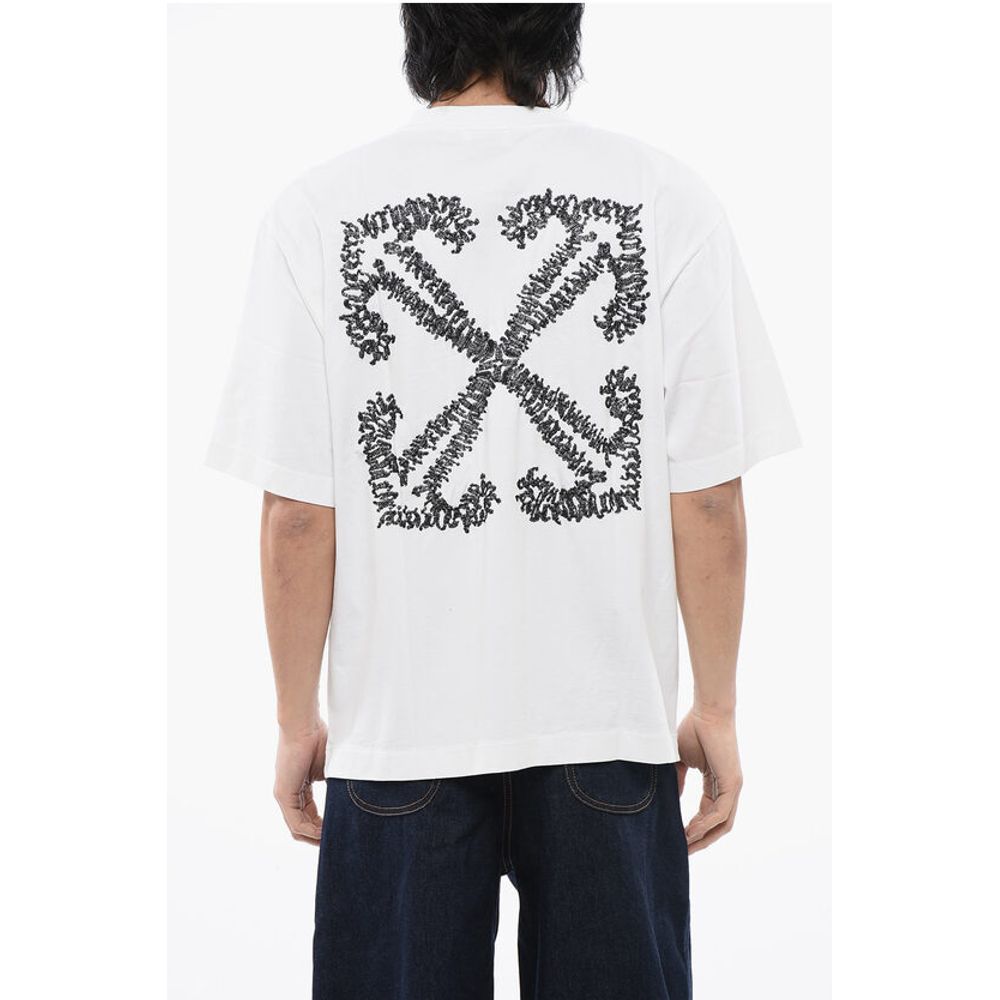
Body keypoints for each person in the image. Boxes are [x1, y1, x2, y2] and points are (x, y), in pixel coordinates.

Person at [207, 4, 799, 997]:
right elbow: (707, 499)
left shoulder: (317, 211)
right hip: (605, 728)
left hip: (400, 736)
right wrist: (716, 707)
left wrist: (295, 719)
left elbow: (298, 514)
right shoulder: (665, 198)